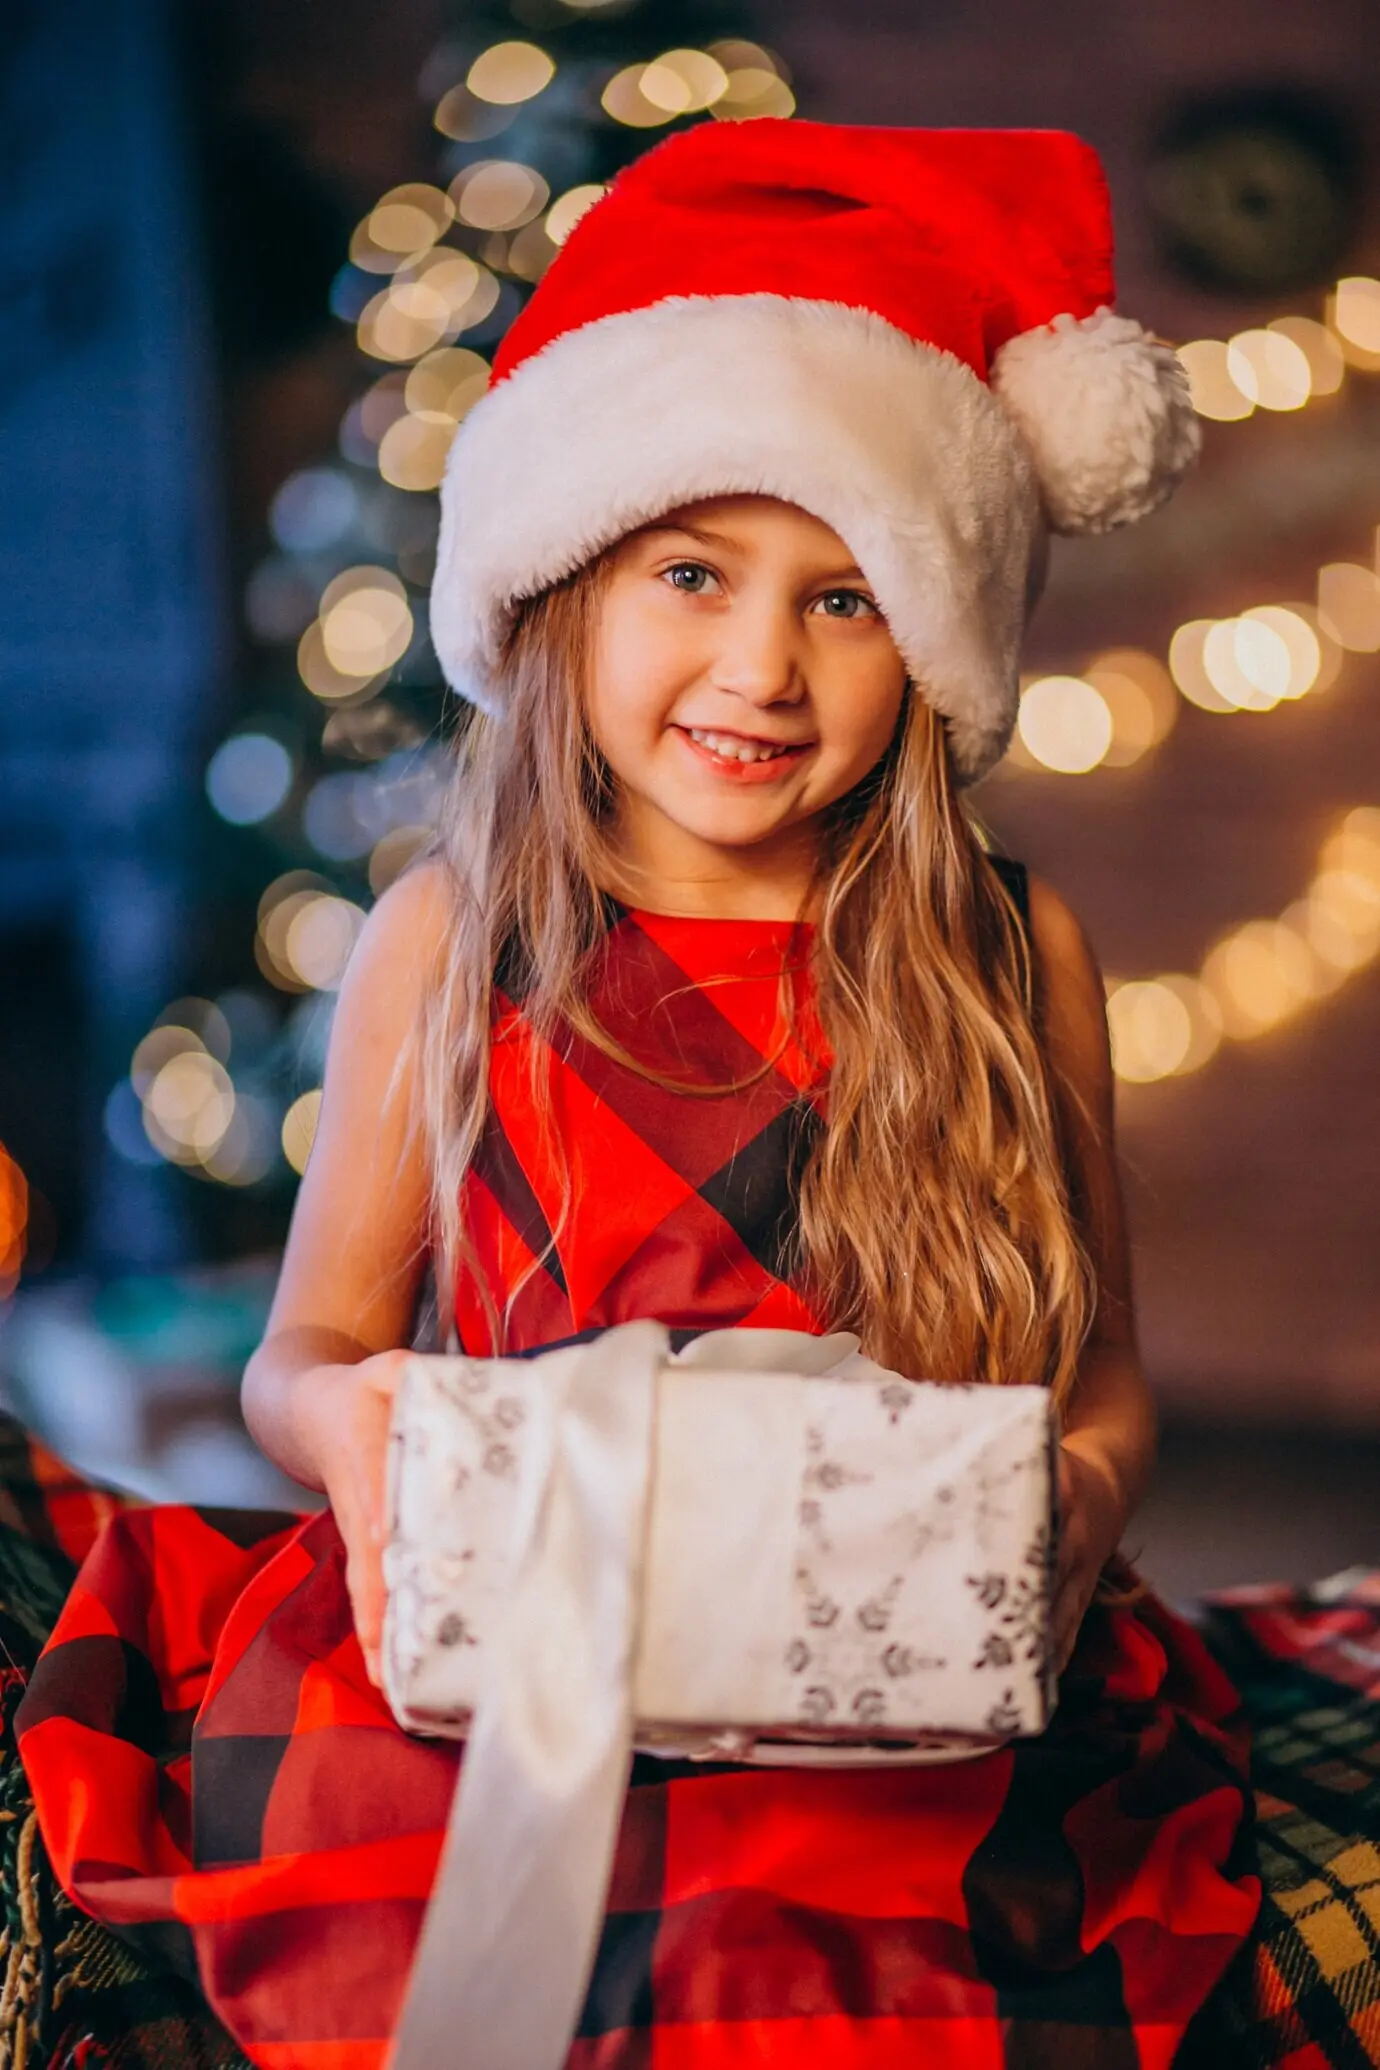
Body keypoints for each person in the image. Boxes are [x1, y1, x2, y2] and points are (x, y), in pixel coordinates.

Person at [16, 120, 1259, 2067]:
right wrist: (363, 1432)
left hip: (879, 1656)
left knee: (847, 1966)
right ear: (568, 587)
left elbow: (1097, 1381)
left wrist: (1066, 1506)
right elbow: (298, 1355)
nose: (761, 665)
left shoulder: (1016, 956)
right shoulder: (453, 942)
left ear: (931, 638)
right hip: (511, 1656)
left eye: (844, 599)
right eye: (695, 571)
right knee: (480, 1934)